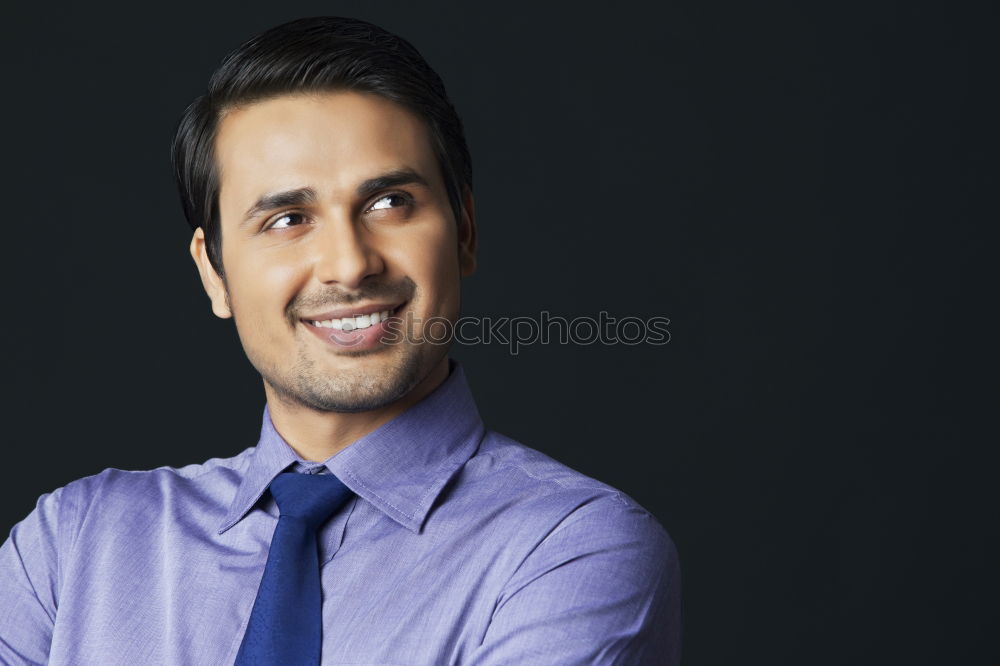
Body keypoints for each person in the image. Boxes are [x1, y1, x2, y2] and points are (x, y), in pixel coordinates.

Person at [0, 16, 681, 665]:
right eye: (289, 217)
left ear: (464, 231)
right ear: (214, 272)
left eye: (390, 204)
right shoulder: (73, 544)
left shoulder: (570, 548)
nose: (351, 264)